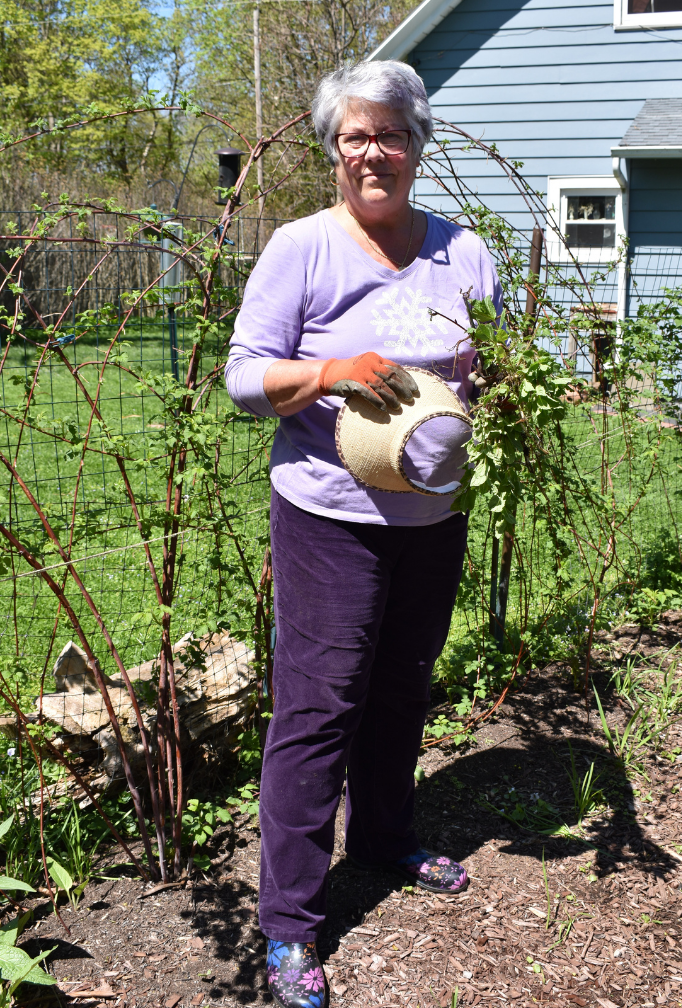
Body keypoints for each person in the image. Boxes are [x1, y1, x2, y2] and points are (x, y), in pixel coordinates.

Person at [225, 58, 501, 1008]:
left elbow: (484, 367)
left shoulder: (465, 253)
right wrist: (334, 369)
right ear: (333, 149)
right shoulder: (302, 248)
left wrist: (496, 403)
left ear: (417, 145)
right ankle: (291, 924)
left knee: (401, 688)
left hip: (435, 512)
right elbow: (243, 378)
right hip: (327, 518)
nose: (372, 151)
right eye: (355, 136)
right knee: (318, 708)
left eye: (390, 134)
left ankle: (385, 839)